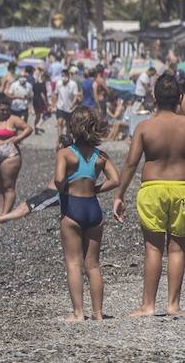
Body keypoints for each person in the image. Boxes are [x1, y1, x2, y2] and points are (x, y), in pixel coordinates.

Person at [112, 74, 185, 316]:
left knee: (153, 248)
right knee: (177, 248)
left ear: (154, 97)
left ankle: (148, 305)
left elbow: (131, 164)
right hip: (181, 187)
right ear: (180, 98)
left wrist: (119, 195)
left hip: (152, 189)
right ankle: (173, 305)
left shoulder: (144, 127)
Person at [55, 107, 121, 322]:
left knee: (74, 262)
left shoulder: (65, 153)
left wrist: (65, 187)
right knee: (93, 263)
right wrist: (96, 189)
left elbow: (57, 180)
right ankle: (98, 313)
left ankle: (78, 313)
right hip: (93, 208)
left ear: (72, 127)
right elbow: (116, 180)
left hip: (73, 207)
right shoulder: (100, 156)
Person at [0, 94, 34, 217]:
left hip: (9, 154)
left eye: (7, 110)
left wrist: (17, 138)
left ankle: (5, 215)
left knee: (8, 186)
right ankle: (0, 214)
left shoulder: (13, 119)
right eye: (2, 110)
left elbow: (28, 128)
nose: (5, 112)